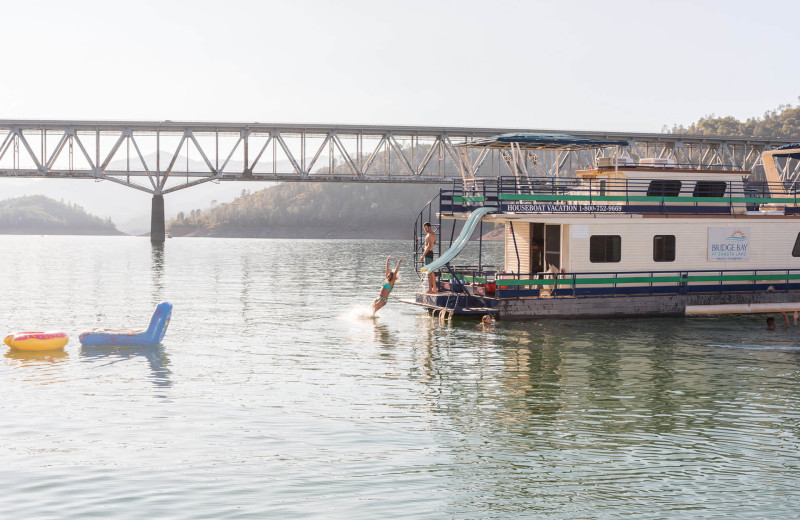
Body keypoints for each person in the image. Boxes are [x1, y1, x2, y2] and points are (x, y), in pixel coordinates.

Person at [423, 222, 437, 293]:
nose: (425, 229)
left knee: (430, 272)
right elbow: (434, 242)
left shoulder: (430, 234)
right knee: (430, 271)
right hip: (428, 253)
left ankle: (431, 289)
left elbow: (429, 246)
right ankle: (433, 288)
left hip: (428, 253)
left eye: (426, 228)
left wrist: (423, 255)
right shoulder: (431, 234)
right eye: (424, 228)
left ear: (429, 227)